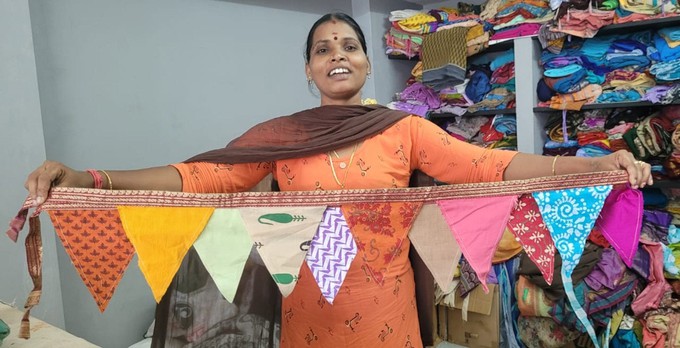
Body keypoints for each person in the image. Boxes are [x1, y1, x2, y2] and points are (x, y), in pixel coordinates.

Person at [25, 12, 652, 348]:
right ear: (308, 69)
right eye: (323, 48)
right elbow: (199, 176)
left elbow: (492, 167)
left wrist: (595, 165)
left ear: (364, 61)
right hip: (305, 307)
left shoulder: (404, 128)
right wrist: (91, 177)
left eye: (348, 44)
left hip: (387, 309)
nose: (338, 54)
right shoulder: (281, 134)